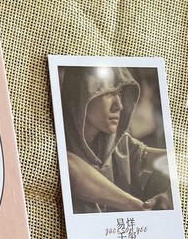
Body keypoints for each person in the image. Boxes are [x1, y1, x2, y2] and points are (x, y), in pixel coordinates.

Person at [60, 66, 173, 213]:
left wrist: (170, 195)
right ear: (81, 95)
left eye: (119, 93)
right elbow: (70, 167)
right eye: (108, 93)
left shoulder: (119, 145)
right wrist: (138, 207)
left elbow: (179, 162)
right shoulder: (52, 141)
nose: (119, 106)